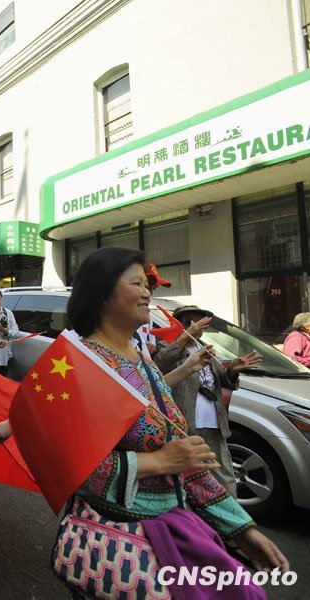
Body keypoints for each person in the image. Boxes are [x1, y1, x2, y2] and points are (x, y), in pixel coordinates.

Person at [62, 246, 287, 576]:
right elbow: (68, 462)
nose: (147, 293)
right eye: (136, 283)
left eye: (147, 285)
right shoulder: (77, 366)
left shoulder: (144, 365)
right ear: (102, 293)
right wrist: (158, 461)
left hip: (171, 530)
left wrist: (241, 529)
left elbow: (186, 460)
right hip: (117, 544)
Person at [154, 305, 261, 495]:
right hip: (185, 424)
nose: (196, 327)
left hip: (214, 423)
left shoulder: (206, 349)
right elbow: (160, 364)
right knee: (188, 475)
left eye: (200, 323)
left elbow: (222, 379)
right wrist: (184, 337)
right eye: (189, 322)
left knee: (222, 473)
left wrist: (233, 370)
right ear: (179, 324)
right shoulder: (168, 345)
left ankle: (232, 518)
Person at [132, 263, 171, 359]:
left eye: (153, 288)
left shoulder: (148, 317)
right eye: (145, 286)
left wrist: (153, 348)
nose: (149, 293)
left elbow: (152, 347)